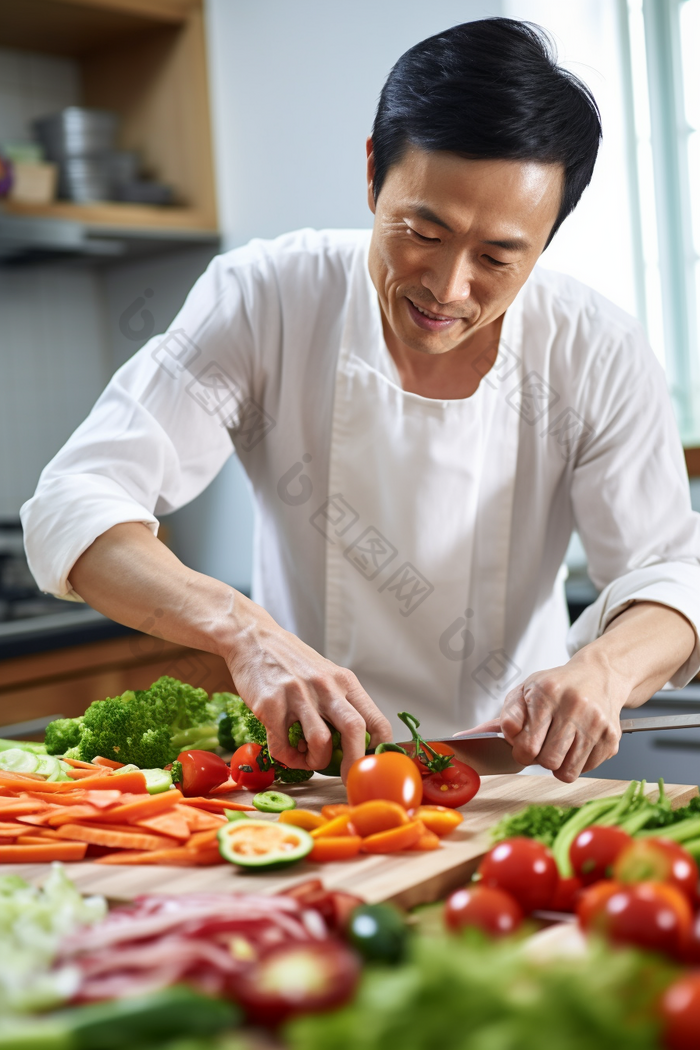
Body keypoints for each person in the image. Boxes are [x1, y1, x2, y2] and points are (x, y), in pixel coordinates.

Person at [22, 19, 700, 784]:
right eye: (422, 231)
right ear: (374, 170)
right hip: (310, 778)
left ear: (548, 237)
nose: (447, 290)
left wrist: (606, 671)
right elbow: (75, 499)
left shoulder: (596, 346)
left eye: (498, 257)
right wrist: (247, 633)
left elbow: (672, 572)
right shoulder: (268, 296)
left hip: (515, 781)